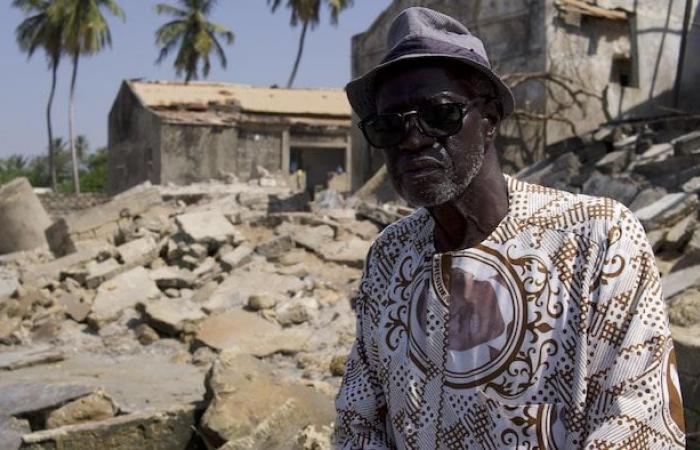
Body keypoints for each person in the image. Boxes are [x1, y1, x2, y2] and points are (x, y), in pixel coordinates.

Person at [334, 7, 685, 449]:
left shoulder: (597, 239)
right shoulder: (390, 255)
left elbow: (639, 422)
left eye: (439, 114)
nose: (413, 139)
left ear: (491, 118)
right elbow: (358, 417)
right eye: (388, 126)